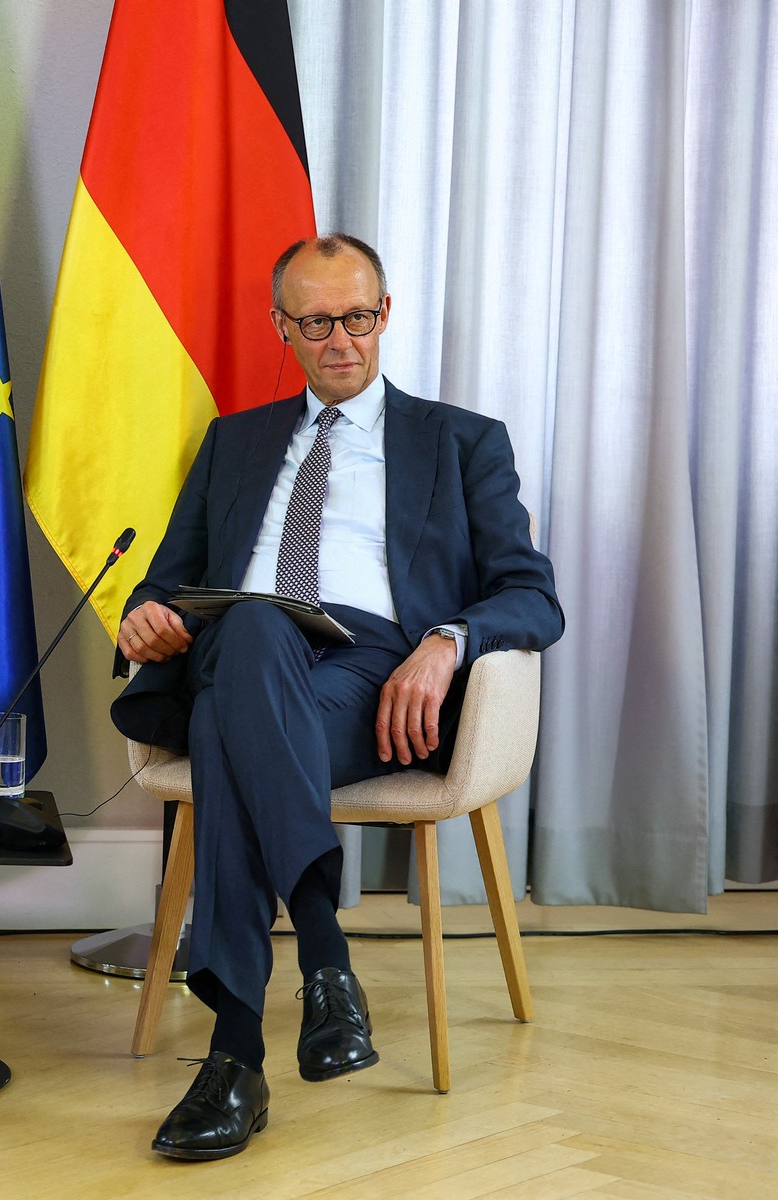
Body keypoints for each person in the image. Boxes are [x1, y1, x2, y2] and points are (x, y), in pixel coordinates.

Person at [112, 234, 562, 1160]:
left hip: (374, 671)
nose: (340, 340)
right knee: (253, 629)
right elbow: (166, 582)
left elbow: (532, 593)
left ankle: (236, 1061)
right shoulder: (234, 442)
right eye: (315, 323)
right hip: (241, 646)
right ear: (281, 327)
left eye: (357, 317)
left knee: (231, 731)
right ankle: (322, 962)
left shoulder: (462, 440)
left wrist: (446, 641)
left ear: (384, 313)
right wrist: (144, 616)